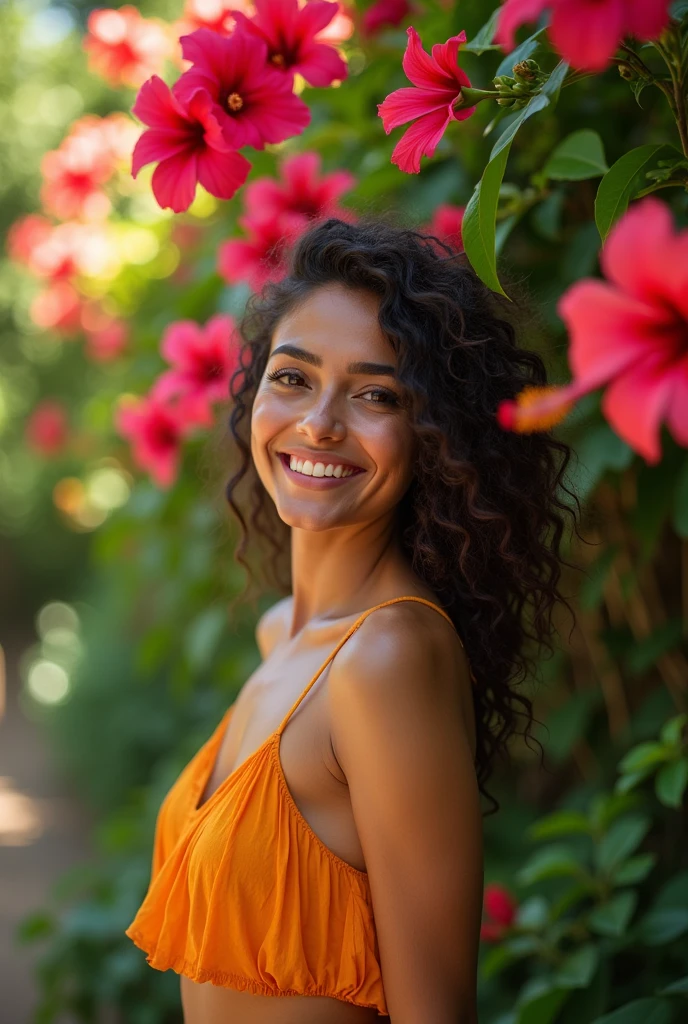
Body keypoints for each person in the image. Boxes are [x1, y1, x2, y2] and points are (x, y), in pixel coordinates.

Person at [125, 217, 578, 1023]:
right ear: (257, 391)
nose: (320, 423)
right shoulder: (281, 634)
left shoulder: (388, 656)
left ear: (434, 437)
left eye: (376, 394)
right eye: (293, 378)